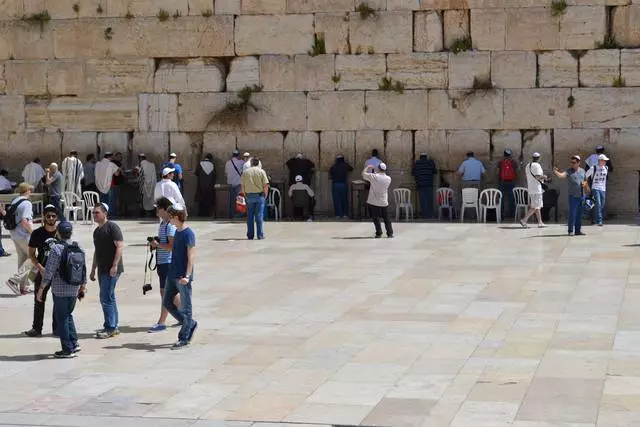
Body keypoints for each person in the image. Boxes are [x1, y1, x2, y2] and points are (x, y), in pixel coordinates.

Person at [38, 221, 86, 358]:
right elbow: (83, 269)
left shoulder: (56, 249)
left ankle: (67, 349)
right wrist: (83, 286)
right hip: (74, 287)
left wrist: (42, 288)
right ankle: (74, 343)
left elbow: (49, 271)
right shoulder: (78, 247)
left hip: (59, 289)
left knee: (62, 318)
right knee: (68, 315)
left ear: (58, 233)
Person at [163, 203, 197, 349]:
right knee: (167, 303)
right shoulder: (177, 231)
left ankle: (184, 337)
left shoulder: (188, 233)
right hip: (173, 273)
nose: (169, 219)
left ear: (176, 217)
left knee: (186, 308)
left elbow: (191, 256)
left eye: (170, 217)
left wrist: (187, 276)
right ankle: (190, 323)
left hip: (182, 276)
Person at [89, 203, 124, 339]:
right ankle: (113, 325)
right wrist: (93, 270)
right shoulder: (97, 231)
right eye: (93, 213)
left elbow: (119, 247)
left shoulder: (112, 227)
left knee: (105, 297)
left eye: (97, 212)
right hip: (102, 268)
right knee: (109, 297)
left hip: (112, 269)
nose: (94, 215)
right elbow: (97, 252)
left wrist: (115, 266)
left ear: (105, 213)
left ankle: (110, 327)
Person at [24, 205, 59, 337]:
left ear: (56, 217)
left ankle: (57, 328)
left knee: (58, 301)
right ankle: (36, 328)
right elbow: (32, 254)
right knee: (39, 300)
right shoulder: (37, 233)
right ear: (44, 217)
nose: (50, 218)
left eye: (53, 216)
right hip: (42, 271)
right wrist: (40, 267)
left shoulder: (60, 232)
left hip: (57, 274)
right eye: (48, 216)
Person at [148, 197, 181, 333]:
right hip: (162, 262)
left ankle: (161, 322)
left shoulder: (170, 226)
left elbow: (173, 246)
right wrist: (156, 244)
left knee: (166, 293)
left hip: (168, 262)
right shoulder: (162, 225)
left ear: (164, 209)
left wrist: (158, 245)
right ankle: (184, 316)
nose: (156, 210)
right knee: (170, 293)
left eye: (158, 208)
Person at [5, 183, 35, 295]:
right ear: (27, 190)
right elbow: (24, 221)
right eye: (30, 190)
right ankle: (14, 280)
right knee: (33, 257)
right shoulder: (27, 203)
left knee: (22, 259)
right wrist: (33, 233)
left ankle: (24, 287)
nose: (31, 192)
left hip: (14, 234)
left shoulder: (15, 200)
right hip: (24, 235)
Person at [554, 155, 587, 236]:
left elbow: (585, 181)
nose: (572, 164)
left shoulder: (582, 171)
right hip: (573, 196)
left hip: (582, 196)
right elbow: (561, 175)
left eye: (574, 162)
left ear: (578, 163)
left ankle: (578, 231)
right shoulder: (569, 171)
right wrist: (555, 171)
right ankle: (570, 231)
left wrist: (585, 185)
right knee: (572, 214)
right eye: (571, 162)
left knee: (580, 214)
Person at [241, 157, 269, 240]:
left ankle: (250, 235)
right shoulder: (261, 172)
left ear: (251, 163)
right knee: (259, 216)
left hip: (249, 196)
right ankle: (260, 235)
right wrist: (265, 195)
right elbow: (266, 185)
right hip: (259, 196)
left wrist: (245, 195)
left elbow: (242, 186)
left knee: (249, 216)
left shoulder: (245, 172)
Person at [363, 163, 393, 238]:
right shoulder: (388, 178)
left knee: (376, 218)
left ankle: (379, 233)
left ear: (379, 169)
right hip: (383, 201)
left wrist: (367, 167)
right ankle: (390, 233)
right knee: (386, 218)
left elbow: (363, 174)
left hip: (374, 201)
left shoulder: (374, 176)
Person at [520, 152, 547, 228]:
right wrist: (544, 177)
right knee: (535, 206)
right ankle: (524, 220)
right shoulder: (537, 165)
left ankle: (540, 222)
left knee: (537, 205)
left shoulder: (528, 165)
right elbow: (538, 177)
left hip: (531, 188)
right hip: (536, 189)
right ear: (539, 158)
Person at [585, 153, 609, 227]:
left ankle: (593, 218)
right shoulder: (593, 168)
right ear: (600, 161)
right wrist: (587, 186)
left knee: (601, 204)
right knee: (598, 203)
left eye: (605, 161)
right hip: (595, 188)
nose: (605, 162)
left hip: (603, 189)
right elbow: (585, 176)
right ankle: (599, 220)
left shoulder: (606, 168)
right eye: (604, 160)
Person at [412, 153, 438, 219]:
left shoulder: (416, 163)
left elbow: (412, 173)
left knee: (422, 200)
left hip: (420, 185)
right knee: (430, 199)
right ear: (426, 157)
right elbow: (435, 172)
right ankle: (431, 214)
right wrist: (433, 163)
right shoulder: (430, 163)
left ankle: (425, 215)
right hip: (429, 184)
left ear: (420, 157)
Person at [329, 154, 353, 219]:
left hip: (335, 184)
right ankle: (345, 214)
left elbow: (330, 174)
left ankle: (337, 215)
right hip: (343, 184)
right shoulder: (345, 165)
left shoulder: (333, 166)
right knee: (344, 199)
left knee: (336, 200)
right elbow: (351, 169)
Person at [497, 149, 518, 219]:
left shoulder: (500, 162)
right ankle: (512, 214)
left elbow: (497, 172)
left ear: (504, 155)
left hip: (502, 182)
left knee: (501, 198)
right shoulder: (513, 162)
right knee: (511, 198)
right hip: (511, 182)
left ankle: (501, 214)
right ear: (510, 155)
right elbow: (517, 171)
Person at [225, 149, 245, 218]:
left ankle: (231, 214)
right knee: (240, 199)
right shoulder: (241, 162)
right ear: (238, 155)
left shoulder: (227, 163)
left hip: (230, 183)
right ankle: (240, 214)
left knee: (231, 200)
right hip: (238, 183)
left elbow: (226, 172)